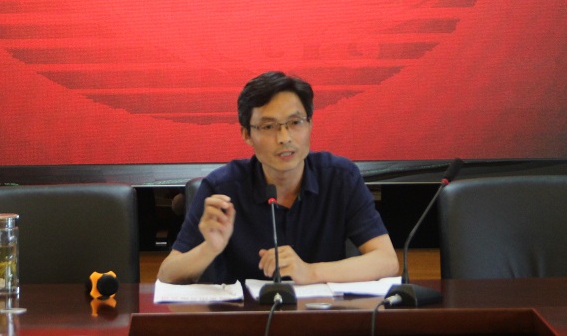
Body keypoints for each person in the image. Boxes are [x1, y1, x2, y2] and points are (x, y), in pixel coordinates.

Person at [157, 71, 399, 285]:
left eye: (295, 123)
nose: (284, 138)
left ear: (310, 124)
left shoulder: (340, 178)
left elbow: (386, 261)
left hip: (319, 316)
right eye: (268, 126)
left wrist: (311, 272)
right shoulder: (222, 188)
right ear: (246, 134)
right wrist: (209, 249)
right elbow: (167, 273)